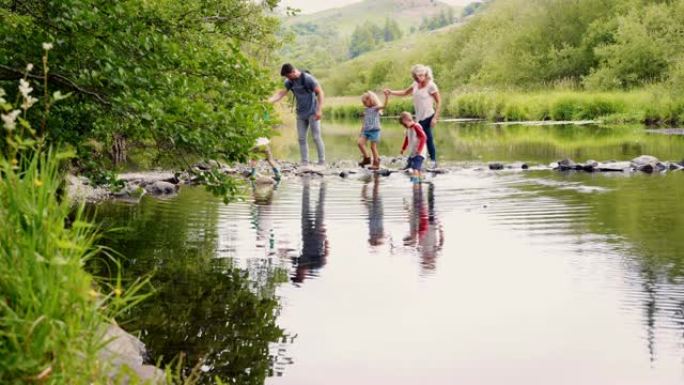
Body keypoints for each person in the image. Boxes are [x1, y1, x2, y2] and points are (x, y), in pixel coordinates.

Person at [384, 64, 441, 168]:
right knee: (413, 137)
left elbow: (439, 102)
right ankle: (415, 159)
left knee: (427, 138)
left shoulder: (431, 85)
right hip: (419, 117)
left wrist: (435, 118)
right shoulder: (415, 84)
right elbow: (405, 92)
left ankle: (433, 162)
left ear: (425, 74)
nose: (419, 78)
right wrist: (391, 92)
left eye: (420, 76)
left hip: (428, 116)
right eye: (416, 76)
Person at [269, 63, 326, 166]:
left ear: (293, 71)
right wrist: (269, 101)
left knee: (316, 137)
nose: (288, 78)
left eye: (288, 76)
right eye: (286, 77)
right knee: (301, 138)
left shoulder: (308, 79)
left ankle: (321, 161)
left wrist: (319, 110)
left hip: (313, 112)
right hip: (300, 113)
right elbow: (281, 93)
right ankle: (305, 162)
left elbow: (320, 92)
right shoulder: (289, 81)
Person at [357, 90, 389, 170]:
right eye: (363, 103)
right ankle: (367, 158)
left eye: (365, 102)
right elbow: (364, 121)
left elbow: (384, 106)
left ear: (371, 100)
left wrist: (386, 97)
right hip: (366, 130)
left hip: (374, 130)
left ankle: (376, 162)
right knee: (360, 143)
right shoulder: (366, 109)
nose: (364, 104)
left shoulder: (375, 108)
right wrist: (361, 131)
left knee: (373, 147)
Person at [399, 111, 427, 183]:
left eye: (404, 124)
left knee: (415, 169)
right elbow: (407, 139)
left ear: (406, 120)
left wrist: (419, 150)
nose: (404, 126)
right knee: (412, 167)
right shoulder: (408, 129)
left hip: (419, 153)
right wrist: (403, 148)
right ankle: (420, 179)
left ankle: (416, 186)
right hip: (413, 153)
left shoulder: (416, 126)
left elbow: (423, 137)